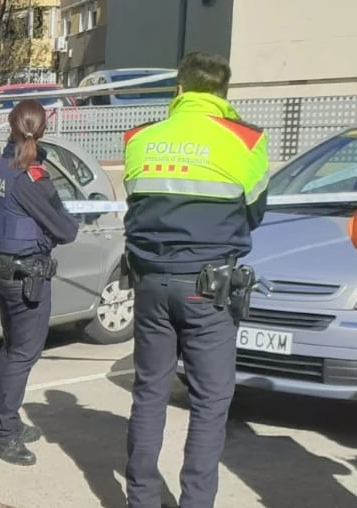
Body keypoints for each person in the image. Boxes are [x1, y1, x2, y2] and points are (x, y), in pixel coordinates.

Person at [122, 51, 269, 508]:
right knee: (209, 402)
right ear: (223, 95)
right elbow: (255, 213)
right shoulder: (246, 141)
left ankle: (141, 499)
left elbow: (139, 205)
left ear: (179, 90)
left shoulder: (140, 138)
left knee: (149, 392)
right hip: (209, 288)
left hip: (149, 283)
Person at [0, 99, 80, 466]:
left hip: (2, 272)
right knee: (22, 354)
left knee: (13, 350)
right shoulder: (31, 178)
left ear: (10, 126)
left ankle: (9, 422)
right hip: (26, 277)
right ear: (42, 131)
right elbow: (66, 229)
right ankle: (3, 434)